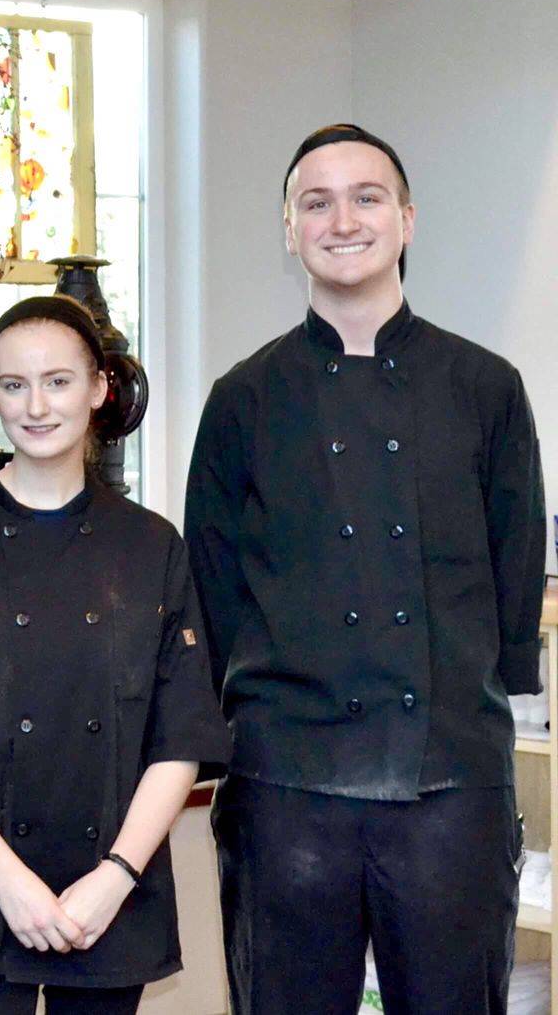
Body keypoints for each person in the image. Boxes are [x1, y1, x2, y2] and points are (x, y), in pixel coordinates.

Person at [185, 123, 547, 1014]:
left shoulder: (486, 385)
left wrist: (489, 686)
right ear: (289, 229)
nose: (342, 219)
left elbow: (515, 566)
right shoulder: (243, 398)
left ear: (408, 219)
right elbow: (214, 580)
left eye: (367, 196)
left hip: (451, 778)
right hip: (286, 781)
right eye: (316, 201)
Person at [0, 296, 229, 1015]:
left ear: (98, 389)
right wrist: (9, 880)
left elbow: (181, 731)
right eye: (13, 384)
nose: (36, 405)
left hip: (109, 891)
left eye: (58, 381)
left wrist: (116, 876)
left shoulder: (151, 546)